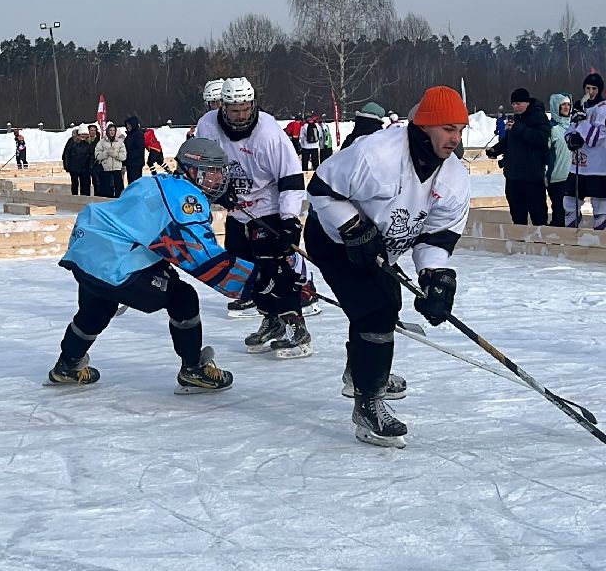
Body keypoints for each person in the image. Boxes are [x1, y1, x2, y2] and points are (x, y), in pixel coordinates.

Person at [306, 86, 471, 448]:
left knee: (386, 304)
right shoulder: (375, 153)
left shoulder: (454, 178)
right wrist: (351, 226)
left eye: (460, 129)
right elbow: (320, 187)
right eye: (448, 129)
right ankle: (368, 401)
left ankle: (362, 371)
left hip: (383, 247)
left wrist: (434, 276)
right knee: (375, 313)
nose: (455, 139)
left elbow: (437, 236)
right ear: (425, 125)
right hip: (333, 240)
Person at [46, 137, 276, 393]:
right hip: (115, 261)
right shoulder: (188, 201)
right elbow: (203, 258)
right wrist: (257, 280)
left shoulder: (152, 181)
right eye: (213, 172)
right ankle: (193, 368)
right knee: (183, 298)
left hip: (85, 251)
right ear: (192, 170)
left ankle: (67, 364)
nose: (220, 179)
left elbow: (137, 217)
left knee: (99, 304)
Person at [194, 76, 315, 358]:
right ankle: (270, 319)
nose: (241, 115)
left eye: (246, 108)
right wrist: (217, 192)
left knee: (275, 268)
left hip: (268, 207)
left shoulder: (269, 133)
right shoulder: (208, 125)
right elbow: (202, 164)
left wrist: (290, 221)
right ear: (223, 106)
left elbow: (291, 179)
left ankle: (296, 327)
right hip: (237, 211)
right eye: (234, 109)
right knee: (246, 269)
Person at [486, 88, 551, 225]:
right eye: (513, 104)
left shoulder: (538, 117)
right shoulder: (516, 119)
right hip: (514, 176)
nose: (515, 106)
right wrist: (495, 150)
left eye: (518, 103)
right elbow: (509, 141)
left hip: (532, 176)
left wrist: (518, 128)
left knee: (538, 216)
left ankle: (540, 244)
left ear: (527, 102)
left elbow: (541, 138)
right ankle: (519, 243)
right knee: (517, 216)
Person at [566, 72, 606, 229]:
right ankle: (571, 237)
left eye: (594, 88)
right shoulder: (579, 106)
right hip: (578, 164)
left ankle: (600, 239)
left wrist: (582, 123)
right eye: (587, 88)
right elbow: (569, 129)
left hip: (599, 165)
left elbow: (596, 138)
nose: (590, 92)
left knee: (600, 204)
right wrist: (570, 139)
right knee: (569, 201)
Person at [546, 93, 578, 226]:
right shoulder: (551, 128)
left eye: (568, 104)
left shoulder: (573, 126)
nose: (566, 107)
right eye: (563, 105)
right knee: (559, 213)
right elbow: (544, 152)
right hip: (557, 178)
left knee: (573, 213)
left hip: (573, 176)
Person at [94, 122, 127, 197]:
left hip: (117, 169)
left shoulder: (120, 142)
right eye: (110, 130)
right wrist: (106, 153)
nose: (112, 132)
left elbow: (123, 156)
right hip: (106, 170)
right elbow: (97, 156)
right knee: (106, 190)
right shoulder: (101, 142)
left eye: (113, 130)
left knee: (118, 189)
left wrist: (115, 154)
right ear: (107, 131)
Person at [124, 115, 147, 185]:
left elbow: (139, 150)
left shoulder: (138, 135)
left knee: (135, 183)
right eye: (127, 125)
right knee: (131, 183)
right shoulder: (130, 134)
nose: (128, 127)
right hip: (130, 163)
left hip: (135, 163)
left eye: (129, 125)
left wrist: (127, 155)